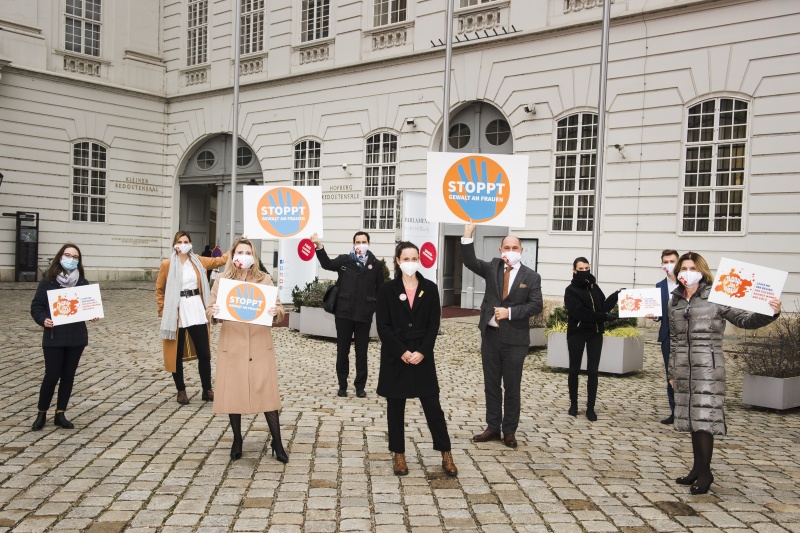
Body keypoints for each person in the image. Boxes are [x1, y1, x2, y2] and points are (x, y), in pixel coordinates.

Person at [668, 251, 780, 495]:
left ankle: (706, 473)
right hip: (683, 368)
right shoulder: (675, 300)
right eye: (683, 268)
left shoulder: (717, 296)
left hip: (708, 367)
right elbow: (674, 339)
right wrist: (671, 370)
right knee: (691, 417)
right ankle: (697, 469)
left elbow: (744, 320)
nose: (687, 272)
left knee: (704, 419)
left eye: (692, 268)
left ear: (702, 271)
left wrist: (769, 313)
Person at [376, 242, 457, 477]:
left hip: (423, 356)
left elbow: (434, 325)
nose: (411, 262)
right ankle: (399, 455)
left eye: (415, 258)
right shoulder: (387, 290)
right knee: (395, 408)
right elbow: (383, 326)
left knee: (433, 408)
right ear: (398, 261)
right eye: (406, 258)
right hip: (396, 357)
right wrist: (401, 351)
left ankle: (446, 453)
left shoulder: (430, 289)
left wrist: (422, 351)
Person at [461, 224, 543, 449]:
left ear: (521, 251)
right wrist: (468, 234)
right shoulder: (494, 267)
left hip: (515, 340)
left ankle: (509, 431)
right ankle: (493, 426)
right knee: (491, 385)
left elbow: (536, 305)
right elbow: (470, 262)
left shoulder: (531, 276)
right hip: (491, 337)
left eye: (514, 247)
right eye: (506, 247)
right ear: (500, 250)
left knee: (512, 386)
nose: (510, 250)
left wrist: (511, 312)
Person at [207, 237, 288, 463]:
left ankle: (277, 441)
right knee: (234, 392)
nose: (243, 256)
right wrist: (214, 312)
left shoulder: (265, 279)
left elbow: (280, 310)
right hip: (233, 343)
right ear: (233, 255)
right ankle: (237, 439)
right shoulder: (222, 280)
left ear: (254, 256)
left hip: (260, 343)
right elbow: (210, 311)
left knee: (267, 392)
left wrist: (275, 312)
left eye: (247, 252)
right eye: (240, 252)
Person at [30, 244, 99, 430]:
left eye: (75, 257)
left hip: (75, 337)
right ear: (60, 257)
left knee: (68, 377)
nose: (71, 259)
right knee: (51, 376)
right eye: (67, 255)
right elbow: (36, 306)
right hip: (54, 337)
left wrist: (92, 314)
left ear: (79, 261)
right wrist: (43, 319)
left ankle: (60, 413)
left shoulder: (83, 283)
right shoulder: (47, 282)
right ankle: (41, 413)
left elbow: (86, 307)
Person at [156, 231, 227, 405]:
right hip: (177, 311)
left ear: (191, 243)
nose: (183, 244)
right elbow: (159, 289)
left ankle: (207, 389)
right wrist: (163, 310)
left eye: (186, 241)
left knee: (204, 352)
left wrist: (236, 247)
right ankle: (181, 390)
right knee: (176, 354)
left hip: (196, 308)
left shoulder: (197, 260)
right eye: (179, 241)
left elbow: (219, 261)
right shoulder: (167, 264)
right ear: (175, 244)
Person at [310, 231, 384, 398]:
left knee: (361, 352)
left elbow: (381, 289)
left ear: (369, 244)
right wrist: (319, 246)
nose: (360, 244)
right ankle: (342, 385)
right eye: (358, 242)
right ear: (353, 243)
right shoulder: (344, 260)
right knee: (342, 351)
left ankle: (360, 387)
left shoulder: (376, 265)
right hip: (344, 313)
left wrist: (374, 307)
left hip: (364, 315)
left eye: (364, 241)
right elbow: (327, 264)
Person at [564, 257, 622, 421]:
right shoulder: (571, 290)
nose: (584, 272)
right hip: (577, 333)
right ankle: (573, 404)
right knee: (574, 369)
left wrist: (617, 295)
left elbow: (602, 306)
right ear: (574, 270)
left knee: (593, 371)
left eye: (586, 268)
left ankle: (590, 408)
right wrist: (604, 317)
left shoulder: (594, 287)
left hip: (595, 333)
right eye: (581, 269)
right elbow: (579, 312)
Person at [647, 249, 680, 425]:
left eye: (672, 261)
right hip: (667, 336)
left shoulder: (688, 283)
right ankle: (674, 411)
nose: (669, 265)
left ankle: (688, 411)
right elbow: (660, 313)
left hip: (686, 336)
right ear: (662, 265)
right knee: (670, 375)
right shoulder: (660, 285)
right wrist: (654, 315)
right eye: (666, 262)